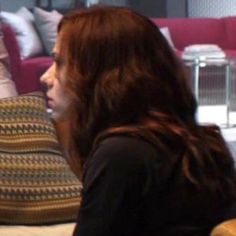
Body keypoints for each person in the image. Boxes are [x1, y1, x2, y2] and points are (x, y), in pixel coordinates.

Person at [40, 5, 236, 236]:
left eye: (59, 62)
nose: (46, 77)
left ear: (99, 72)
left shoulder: (120, 153)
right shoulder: (205, 143)